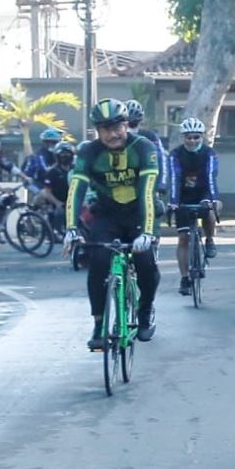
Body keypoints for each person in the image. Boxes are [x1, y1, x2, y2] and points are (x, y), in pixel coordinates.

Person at [65, 99, 161, 349]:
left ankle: (145, 310)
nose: (112, 134)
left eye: (117, 127)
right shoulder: (89, 151)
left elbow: (148, 192)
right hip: (107, 215)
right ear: (97, 131)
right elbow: (76, 189)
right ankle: (98, 324)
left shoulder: (144, 147)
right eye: (105, 129)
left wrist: (148, 232)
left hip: (139, 214)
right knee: (97, 262)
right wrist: (71, 228)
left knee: (145, 263)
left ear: (127, 125)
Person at [169, 117, 220, 296]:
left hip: (203, 192)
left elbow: (211, 178)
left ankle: (210, 239)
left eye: (196, 137)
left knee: (209, 209)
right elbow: (174, 178)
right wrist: (173, 201)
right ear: (183, 137)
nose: (192, 141)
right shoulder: (175, 154)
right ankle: (184, 278)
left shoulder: (209, 154)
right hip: (183, 195)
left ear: (202, 137)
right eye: (189, 137)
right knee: (183, 237)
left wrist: (213, 199)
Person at [127, 99, 170, 213]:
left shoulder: (150, 136)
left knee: (152, 211)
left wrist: (161, 183)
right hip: (124, 182)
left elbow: (161, 159)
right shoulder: (116, 137)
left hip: (147, 181)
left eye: (134, 123)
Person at [36, 141, 75, 237]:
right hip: (56, 201)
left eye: (67, 153)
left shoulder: (75, 169)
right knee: (59, 211)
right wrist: (57, 203)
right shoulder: (52, 172)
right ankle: (55, 232)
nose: (65, 156)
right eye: (62, 154)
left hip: (73, 200)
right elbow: (47, 192)